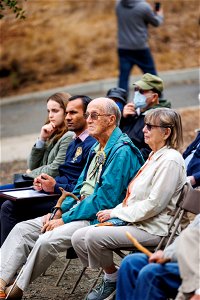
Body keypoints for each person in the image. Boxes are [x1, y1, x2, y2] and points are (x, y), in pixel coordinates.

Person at [0, 97, 144, 299]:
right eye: (87, 115)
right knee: (22, 229)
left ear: (111, 119)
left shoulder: (121, 151)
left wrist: (64, 219)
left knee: (47, 240)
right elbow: (78, 188)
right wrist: (59, 210)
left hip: (100, 217)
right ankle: (0, 282)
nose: (89, 120)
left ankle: (15, 290)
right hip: (78, 209)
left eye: (94, 115)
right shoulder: (98, 147)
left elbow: (104, 200)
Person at [71, 107, 187, 300]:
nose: (143, 130)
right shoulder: (154, 156)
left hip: (156, 229)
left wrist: (116, 214)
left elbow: (154, 205)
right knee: (78, 237)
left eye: (150, 126)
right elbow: (132, 197)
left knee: (91, 236)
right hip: (140, 222)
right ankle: (114, 275)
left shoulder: (171, 160)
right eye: (144, 125)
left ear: (166, 132)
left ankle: (112, 281)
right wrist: (113, 210)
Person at [0, 95, 96, 246]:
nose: (67, 118)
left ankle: (5, 261)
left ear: (87, 115)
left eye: (72, 113)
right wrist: (45, 182)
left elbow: (82, 186)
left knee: (9, 207)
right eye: (67, 113)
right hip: (57, 193)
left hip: (68, 199)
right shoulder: (74, 142)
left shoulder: (90, 144)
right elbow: (61, 173)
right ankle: (8, 256)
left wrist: (52, 184)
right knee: (5, 198)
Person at [116, 214, 200, 300]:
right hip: (187, 259)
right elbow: (188, 236)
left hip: (196, 272)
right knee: (131, 262)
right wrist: (166, 254)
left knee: (151, 272)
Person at [0, 92, 73, 190]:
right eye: (49, 111)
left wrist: (30, 174)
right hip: (36, 183)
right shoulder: (53, 132)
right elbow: (32, 164)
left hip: (49, 187)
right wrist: (42, 139)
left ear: (66, 111)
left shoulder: (69, 136)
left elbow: (55, 169)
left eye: (55, 111)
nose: (50, 115)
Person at [116, 0, 164, 94]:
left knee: (123, 78)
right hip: (140, 47)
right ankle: (158, 98)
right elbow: (156, 22)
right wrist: (159, 14)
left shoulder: (119, 4)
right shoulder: (143, 7)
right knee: (151, 74)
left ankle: (121, 101)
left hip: (123, 47)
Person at [120, 73, 171, 160]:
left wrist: (124, 160)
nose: (137, 93)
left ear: (154, 97)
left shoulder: (160, 119)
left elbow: (149, 151)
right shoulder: (133, 112)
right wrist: (122, 118)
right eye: (136, 89)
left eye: (142, 91)